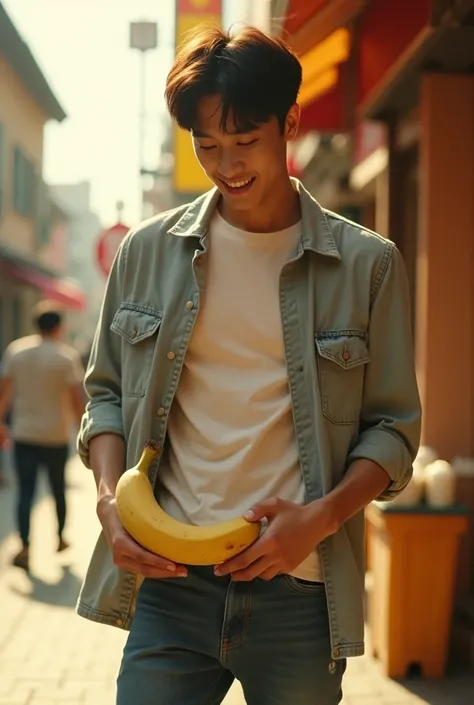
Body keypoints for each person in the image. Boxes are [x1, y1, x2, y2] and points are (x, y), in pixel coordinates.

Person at [77, 26, 421, 705]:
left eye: (245, 142)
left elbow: (393, 427)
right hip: (170, 585)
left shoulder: (367, 263)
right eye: (208, 145)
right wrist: (111, 504)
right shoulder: (146, 252)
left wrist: (320, 519)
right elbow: (107, 396)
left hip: (299, 589)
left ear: (290, 121)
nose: (226, 164)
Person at [0, 301, 85, 571]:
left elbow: (4, 392)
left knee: (25, 491)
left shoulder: (17, 351)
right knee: (57, 489)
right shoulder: (66, 357)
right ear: (58, 327)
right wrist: (83, 430)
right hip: (55, 436)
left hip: (24, 434)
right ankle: (59, 538)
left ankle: (24, 546)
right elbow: (76, 400)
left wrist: (1, 422)